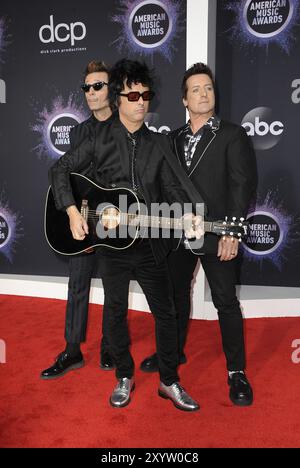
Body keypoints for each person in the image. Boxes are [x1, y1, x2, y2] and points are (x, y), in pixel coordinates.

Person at [42, 58, 204, 411]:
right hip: (111, 246)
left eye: (146, 94)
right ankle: (124, 376)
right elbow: (60, 170)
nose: (141, 101)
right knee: (114, 313)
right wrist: (71, 211)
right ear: (117, 99)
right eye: (133, 95)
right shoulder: (99, 138)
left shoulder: (159, 144)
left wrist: (191, 214)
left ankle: (169, 381)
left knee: (166, 313)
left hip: (149, 244)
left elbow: (175, 188)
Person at [140, 62, 257, 407]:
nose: (204, 94)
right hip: (177, 235)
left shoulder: (233, 135)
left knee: (225, 303)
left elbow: (241, 185)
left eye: (208, 88)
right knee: (175, 299)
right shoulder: (172, 139)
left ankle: (236, 372)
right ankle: (171, 356)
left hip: (217, 234)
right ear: (184, 100)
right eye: (196, 89)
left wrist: (232, 231)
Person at [41, 61, 114, 380]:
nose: (91, 93)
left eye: (98, 86)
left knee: (115, 285)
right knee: (78, 282)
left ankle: (111, 345)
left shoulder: (126, 126)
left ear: (111, 89)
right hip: (84, 220)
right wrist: (74, 213)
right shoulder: (79, 131)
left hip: (117, 220)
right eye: (87, 87)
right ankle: (72, 351)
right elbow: (72, 176)